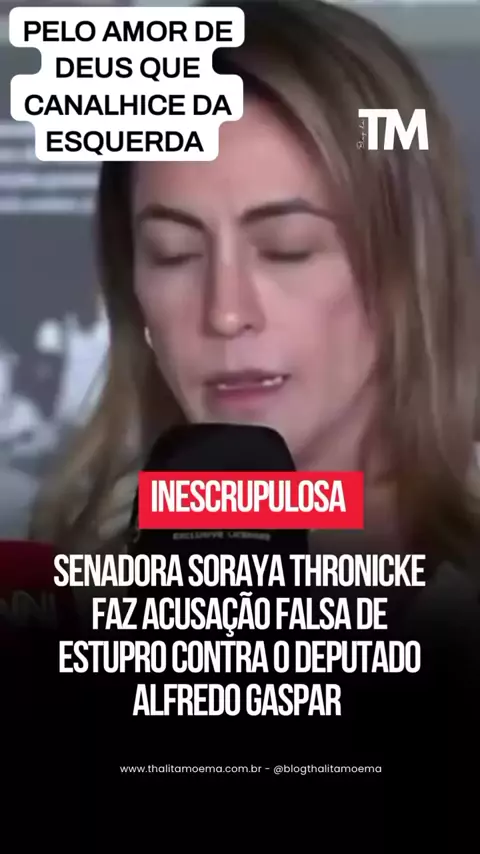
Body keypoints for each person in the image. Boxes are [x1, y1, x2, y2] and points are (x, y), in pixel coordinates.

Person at [30, 0, 480, 580]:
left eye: (288, 248)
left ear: (410, 263)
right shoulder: (64, 586)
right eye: (174, 253)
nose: (225, 312)